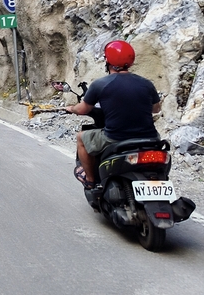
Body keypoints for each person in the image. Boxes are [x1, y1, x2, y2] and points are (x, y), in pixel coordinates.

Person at [64, 40, 162, 187]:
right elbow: (156, 109)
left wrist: (71, 108)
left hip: (115, 138)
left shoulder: (100, 84)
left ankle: (90, 180)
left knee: (81, 138)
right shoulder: (147, 84)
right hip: (150, 138)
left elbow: (83, 109)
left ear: (108, 61)